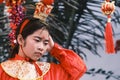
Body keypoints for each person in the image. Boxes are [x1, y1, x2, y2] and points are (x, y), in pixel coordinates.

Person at [0, 16, 87, 80]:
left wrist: (54, 48)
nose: (42, 47)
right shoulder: (2, 71)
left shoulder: (49, 72)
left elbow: (79, 69)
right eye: (37, 40)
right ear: (20, 40)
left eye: (45, 43)